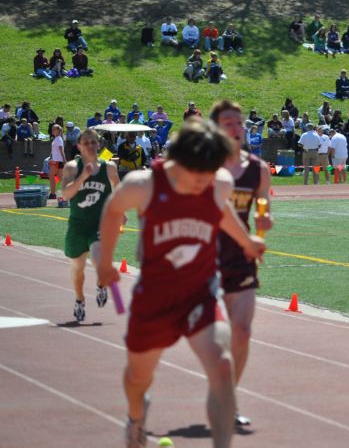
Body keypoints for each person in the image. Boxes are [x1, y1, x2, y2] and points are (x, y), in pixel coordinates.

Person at [96, 119, 265, 447]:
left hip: (199, 293)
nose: (203, 184)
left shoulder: (218, 183)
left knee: (222, 365)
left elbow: (221, 210)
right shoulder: (142, 185)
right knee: (137, 379)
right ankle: (135, 416)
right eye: (196, 177)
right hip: (155, 298)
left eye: (209, 176)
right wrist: (105, 263)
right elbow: (113, 209)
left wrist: (245, 242)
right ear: (177, 163)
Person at [208, 102, 272, 429]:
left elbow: (262, 209)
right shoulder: (205, 167)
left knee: (243, 332)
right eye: (228, 122)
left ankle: (227, 401)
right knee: (216, 339)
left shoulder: (258, 169)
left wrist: (263, 223)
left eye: (239, 122)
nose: (236, 127)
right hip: (205, 260)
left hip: (242, 259)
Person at [60, 128, 121, 322]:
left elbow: (118, 191)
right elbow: (66, 195)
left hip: (99, 223)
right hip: (77, 224)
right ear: (79, 146)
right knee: (78, 268)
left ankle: (101, 286)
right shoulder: (71, 167)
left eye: (93, 142)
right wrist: (83, 178)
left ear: (99, 144)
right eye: (86, 143)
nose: (90, 146)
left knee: (99, 259)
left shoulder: (109, 167)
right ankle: (79, 300)